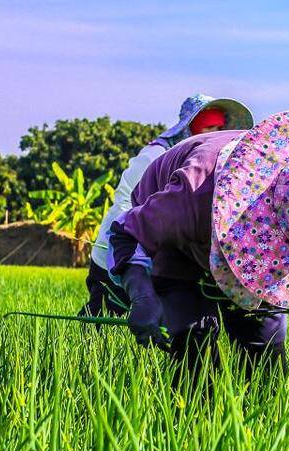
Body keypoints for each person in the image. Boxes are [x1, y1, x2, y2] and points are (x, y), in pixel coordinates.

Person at [104, 110, 289, 379]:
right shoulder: (189, 196)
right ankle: (196, 417)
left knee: (266, 359)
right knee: (195, 346)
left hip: (243, 239)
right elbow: (126, 233)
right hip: (179, 247)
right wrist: (142, 296)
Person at [81, 94, 254, 316]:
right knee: (103, 314)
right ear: (189, 128)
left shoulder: (211, 164)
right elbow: (127, 203)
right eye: (207, 127)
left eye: (219, 127)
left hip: (157, 247)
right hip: (118, 248)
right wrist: (129, 247)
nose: (214, 134)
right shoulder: (156, 154)